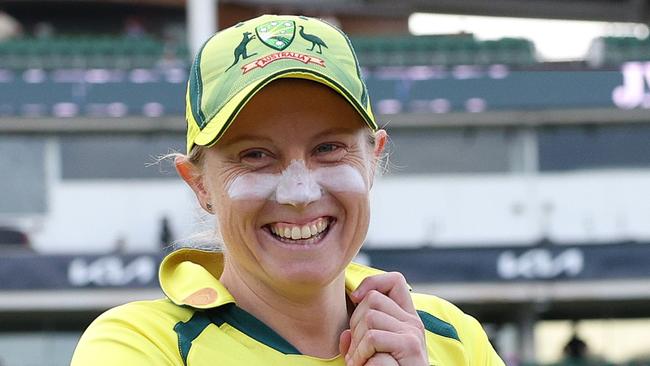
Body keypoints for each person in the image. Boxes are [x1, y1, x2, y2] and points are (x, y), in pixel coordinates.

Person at [71, 14, 504, 366]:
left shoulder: (452, 338)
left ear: (373, 161)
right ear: (200, 184)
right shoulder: (138, 346)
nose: (299, 191)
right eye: (256, 155)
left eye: (329, 148)